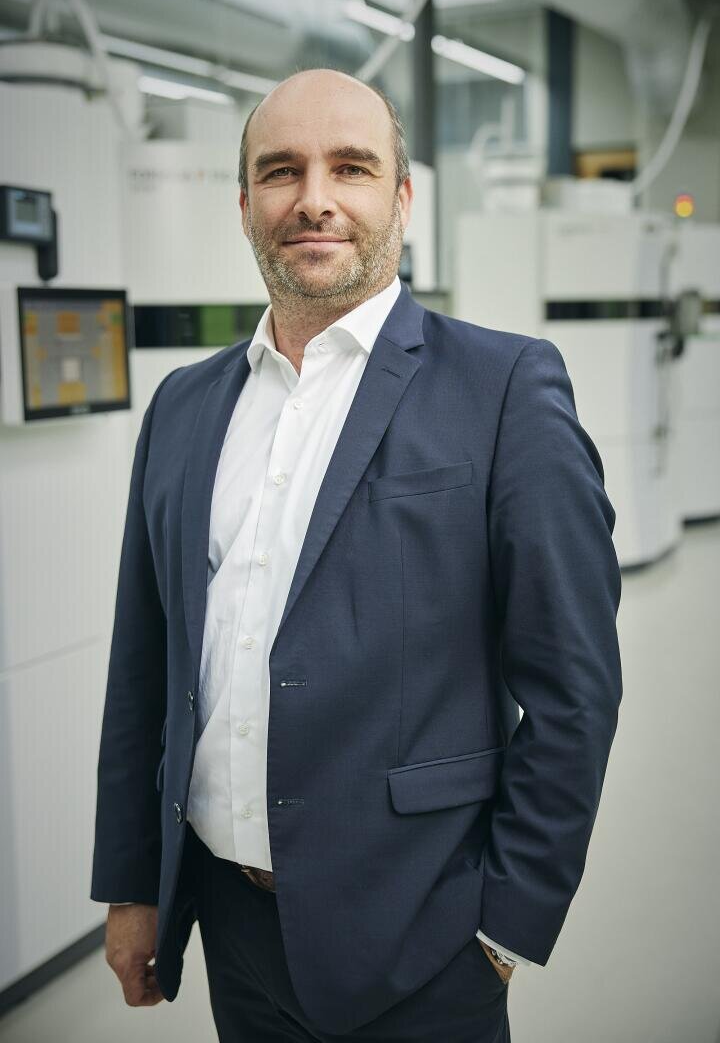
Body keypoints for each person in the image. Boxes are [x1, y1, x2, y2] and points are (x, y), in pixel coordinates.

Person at [91, 68, 623, 1042]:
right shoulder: (182, 407)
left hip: (421, 931)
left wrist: (505, 925)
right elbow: (144, 665)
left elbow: (574, 688)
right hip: (231, 923)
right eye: (281, 171)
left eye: (351, 167)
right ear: (244, 204)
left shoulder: (504, 388)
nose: (315, 198)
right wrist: (133, 883)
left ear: (403, 198)